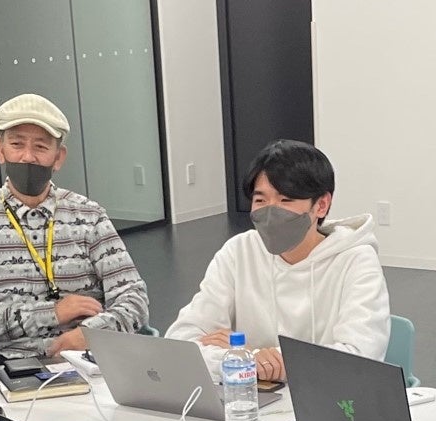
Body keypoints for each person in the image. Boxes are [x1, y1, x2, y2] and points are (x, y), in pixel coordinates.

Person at [166, 140, 390, 381]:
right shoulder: (239, 251)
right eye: (260, 201)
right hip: (250, 397)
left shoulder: (356, 260)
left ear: (321, 205)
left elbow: (358, 359)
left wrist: (247, 356)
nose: (271, 212)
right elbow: (181, 341)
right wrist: (253, 360)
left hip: (325, 399)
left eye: (285, 200)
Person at [0, 94, 150, 357]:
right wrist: (51, 313)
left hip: (88, 359)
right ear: (0, 149)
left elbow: (134, 299)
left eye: (41, 147)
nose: (27, 157)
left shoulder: (89, 216)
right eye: (17, 144)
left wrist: (90, 334)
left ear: (59, 157)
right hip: (10, 365)